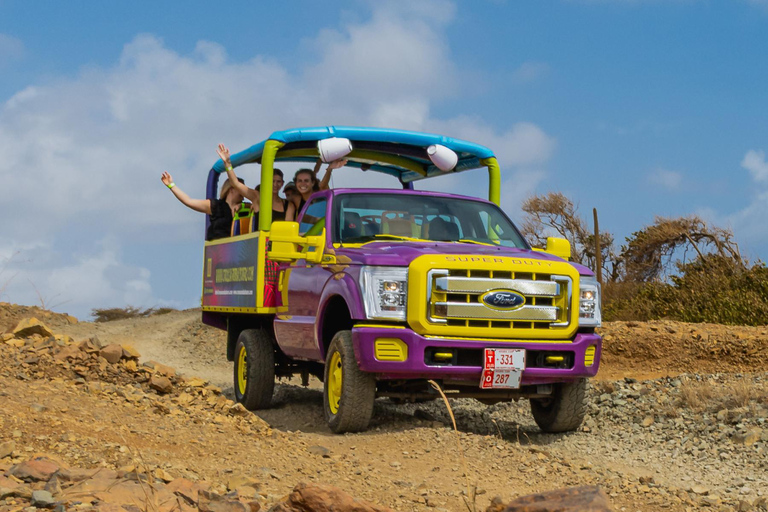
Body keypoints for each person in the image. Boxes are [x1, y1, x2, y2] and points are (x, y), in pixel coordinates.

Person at [161, 169, 244, 241]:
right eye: (241, 189)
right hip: (219, 252)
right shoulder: (217, 206)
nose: (244, 193)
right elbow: (189, 201)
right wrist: (171, 185)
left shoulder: (245, 208)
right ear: (232, 189)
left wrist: (244, 206)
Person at [217, 144, 289, 224]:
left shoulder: (287, 204)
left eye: (278, 181)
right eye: (272, 181)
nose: (275, 184)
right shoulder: (257, 197)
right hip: (262, 236)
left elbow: (289, 225)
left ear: (282, 183)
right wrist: (228, 164)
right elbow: (235, 184)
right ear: (267, 181)